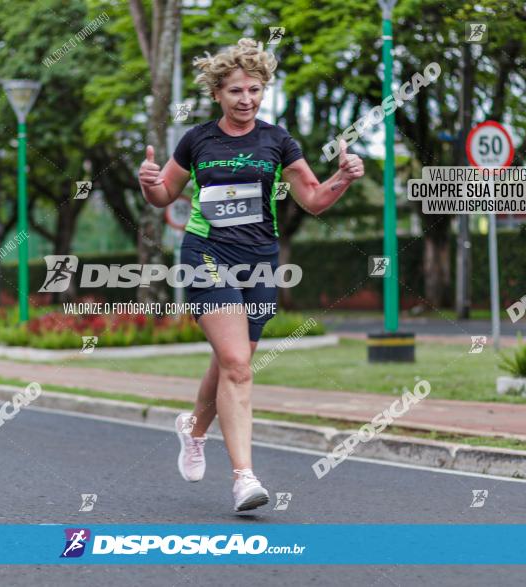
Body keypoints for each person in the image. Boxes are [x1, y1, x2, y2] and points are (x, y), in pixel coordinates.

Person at [137, 39, 364, 512]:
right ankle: (244, 479)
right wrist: (150, 185)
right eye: (236, 91)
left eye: (255, 90)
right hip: (206, 254)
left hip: (260, 260)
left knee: (229, 363)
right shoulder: (197, 140)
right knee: (239, 364)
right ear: (218, 93)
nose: (247, 100)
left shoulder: (277, 140)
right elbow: (164, 197)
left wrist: (342, 177)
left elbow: (315, 199)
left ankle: (194, 429)